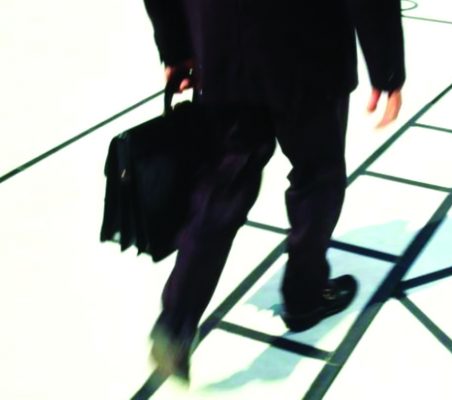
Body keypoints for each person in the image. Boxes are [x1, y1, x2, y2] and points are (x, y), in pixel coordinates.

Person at [142, 0, 406, 381]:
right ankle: (304, 296)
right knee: (318, 176)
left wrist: (176, 46)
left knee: (222, 189)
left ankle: (174, 324)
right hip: (309, 46)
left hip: (223, 45)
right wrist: (386, 67)